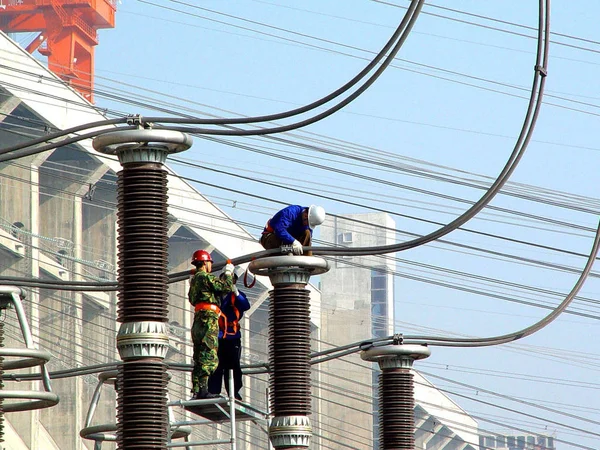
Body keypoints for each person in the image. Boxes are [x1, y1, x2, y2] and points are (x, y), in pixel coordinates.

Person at [188, 249, 234, 400]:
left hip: (199, 320)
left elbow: (192, 298)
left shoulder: (195, 280)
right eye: (209, 263)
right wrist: (228, 273)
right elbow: (225, 287)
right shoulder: (204, 277)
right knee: (209, 354)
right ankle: (203, 390)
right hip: (208, 321)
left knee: (199, 355)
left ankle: (197, 389)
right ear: (205, 263)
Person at [208, 268, 251, 401]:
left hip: (232, 337)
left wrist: (235, 291)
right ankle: (213, 391)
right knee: (216, 365)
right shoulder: (214, 295)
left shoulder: (236, 296)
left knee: (233, 366)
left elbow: (245, 305)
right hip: (217, 336)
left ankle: (234, 392)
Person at [260, 204, 326, 256]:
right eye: (308, 223)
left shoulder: (308, 223)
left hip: (287, 242)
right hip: (270, 237)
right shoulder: (290, 212)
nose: (307, 225)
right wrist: (294, 241)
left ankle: (305, 264)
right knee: (283, 241)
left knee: (307, 233)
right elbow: (279, 230)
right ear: (306, 216)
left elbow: (308, 239)